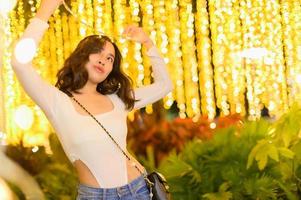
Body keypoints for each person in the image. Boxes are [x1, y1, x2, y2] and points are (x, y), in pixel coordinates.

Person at [11, 0, 173, 199]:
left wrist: (148, 43)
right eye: (97, 51)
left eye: (110, 58)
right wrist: (46, 9)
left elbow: (165, 85)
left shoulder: (118, 100)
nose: (103, 60)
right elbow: (20, 63)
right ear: (82, 55)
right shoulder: (57, 102)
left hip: (138, 191)